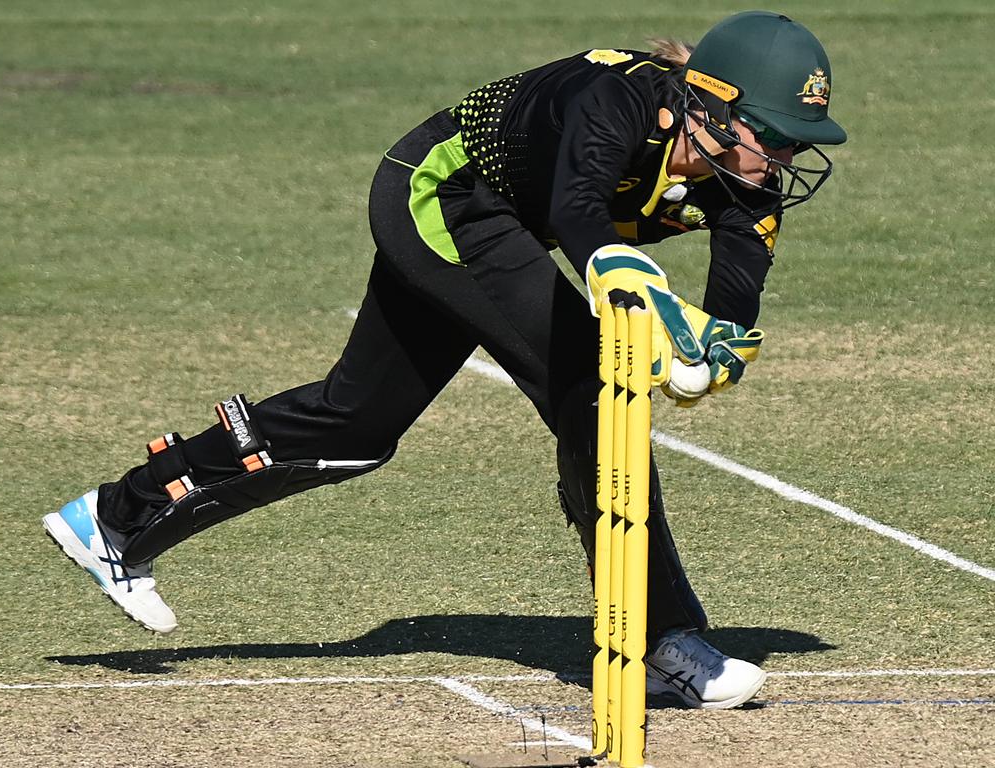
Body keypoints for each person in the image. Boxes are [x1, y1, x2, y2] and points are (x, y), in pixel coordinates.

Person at [43, 11, 845, 710]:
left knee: (356, 425)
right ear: (704, 103)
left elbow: (737, 301)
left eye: (794, 145)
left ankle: (115, 515)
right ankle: (664, 640)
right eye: (771, 138)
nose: (778, 161)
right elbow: (576, 207)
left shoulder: (748, 182)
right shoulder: (619, 102)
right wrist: (633, 283)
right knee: (597, 390)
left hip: (506, 229)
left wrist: (721, 348)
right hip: (445, 196)